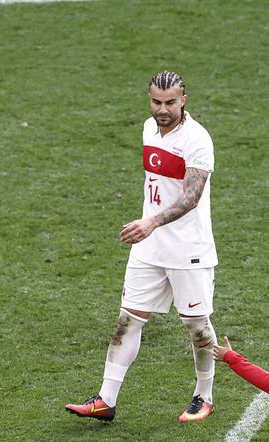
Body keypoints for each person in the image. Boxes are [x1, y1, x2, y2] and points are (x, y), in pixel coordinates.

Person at [67, 71, 219, 423]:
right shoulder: (149, 129)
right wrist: (148, 226)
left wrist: (150, 222)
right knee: (128, 320)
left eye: (169, 102)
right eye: (155, 101)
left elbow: (192, 197)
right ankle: (106, 399)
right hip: (149, 247)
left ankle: (204, 395)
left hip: (188, 249)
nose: (162, 109)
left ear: (184, 100)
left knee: (197, 326)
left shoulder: (198, 140)